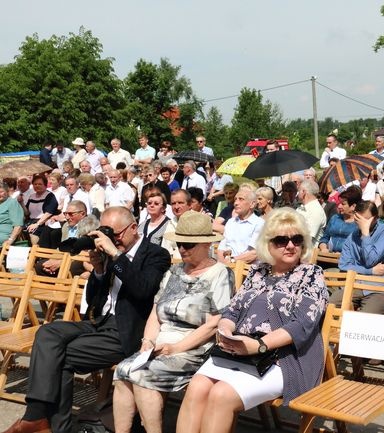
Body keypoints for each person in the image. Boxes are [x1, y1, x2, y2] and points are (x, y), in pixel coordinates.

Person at [2, 207, 171, 433]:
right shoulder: (111, 252)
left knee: (57, 357)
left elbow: (143, 289)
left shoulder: (154, 254)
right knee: (47, 332)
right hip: (99, 322)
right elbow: (93, 299)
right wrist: (99, 270)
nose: (114, 240)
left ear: (133, 228)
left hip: (127, 332)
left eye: (117, 234)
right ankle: (38, 418)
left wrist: (116, 256)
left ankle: (43, 422)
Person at [176, 208, 328, 433]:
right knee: (197, 387)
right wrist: (226, 331)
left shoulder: (311, 275)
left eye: (296, 239)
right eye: (281, 240)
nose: (290, 245)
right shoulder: (257, 272)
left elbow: (300, 326)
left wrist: (259, 345)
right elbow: (232, 311)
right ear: (267, 244)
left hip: (284, 358)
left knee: (222, 394)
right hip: (240, 351)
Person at [112, 211, 232, 433]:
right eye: (179, 244)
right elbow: (156, 311)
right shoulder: (174, 271)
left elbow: (214, 324)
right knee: (122, 370)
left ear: (206, 244)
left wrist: (175, 348)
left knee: (141, 376)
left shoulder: (220, 274)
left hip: (195, 346)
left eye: (188, 244)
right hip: (160, 344)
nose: (182, 249)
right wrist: (147, 341)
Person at [332, 201, 384, 313]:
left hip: (378, 287)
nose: (362, 223)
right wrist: (370, 271)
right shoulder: (352, 237)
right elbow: (344, 265)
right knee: (330, 304)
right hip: (355, 284)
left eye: (366, 220)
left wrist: (365, 233)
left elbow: (370, 260)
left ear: (375, 218)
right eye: (359, 219)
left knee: (366, 317)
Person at [216, 189, 264, 264]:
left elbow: (254, 253)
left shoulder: (259, 223)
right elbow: (221, 248)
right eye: (235, 199)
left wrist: (232, 261)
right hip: (227, 266)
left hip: (247, 270)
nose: (236, 203)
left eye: (241, 199)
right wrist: (222, 265)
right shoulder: (231, 222)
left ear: (252, 204)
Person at [318, 186, 361, 253]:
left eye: (343, 204)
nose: (339, 206)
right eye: (339, 203)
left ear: (353, 206)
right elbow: (325, 238)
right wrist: (323, 248)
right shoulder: (335, 218)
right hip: (329, 257)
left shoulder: (359, 223)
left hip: (348, 260)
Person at [23, 174, 58, 246]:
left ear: (45, 185)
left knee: (32, 231)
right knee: (19, 229)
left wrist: (37, 224)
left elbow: (49, 213)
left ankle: (36, 253)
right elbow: (27, 213)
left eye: (40, 184)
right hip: (30, 221)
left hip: (43, 222)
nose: (37, 186)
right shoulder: (31, 196)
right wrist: (21, 203)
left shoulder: (49, 196)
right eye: (35, 184)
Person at [296, 180, 326, 246]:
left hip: (308, 253)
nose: (297, 193)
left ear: (303, 192)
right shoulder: (300, 208)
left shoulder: (316, 211)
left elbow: (307, 238)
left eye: (298, 191)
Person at [0, 182, 24, 247]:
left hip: (4, 236)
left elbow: (18, 226)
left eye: (1, 192)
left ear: (7, 191)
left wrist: (10, 240)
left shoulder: (12, 203)